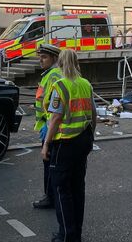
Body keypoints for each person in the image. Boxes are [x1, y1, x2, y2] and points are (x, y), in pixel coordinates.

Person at [42, 49, 97, 242]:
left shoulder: (60, 86)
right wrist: (91, 136)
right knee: (77, 188)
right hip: (83, 141)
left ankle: (66, 235)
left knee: (61, 189)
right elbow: (93, 113)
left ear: (61, 64)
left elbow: (56, 117)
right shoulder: (86, 84)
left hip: (64, 143)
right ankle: (76, 233)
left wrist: (46, 144)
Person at [31, 44, 63, 210]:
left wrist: (49, 130)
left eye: (44, 57)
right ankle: (50, 195)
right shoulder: (48, 74)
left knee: (49, 164)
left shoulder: (53, 75)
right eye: (40, 56)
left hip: (50, 127)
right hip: (46, 125)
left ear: (54, 59)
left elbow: (53, 104)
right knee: (49, 164)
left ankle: (50, 197)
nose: (40, 60)